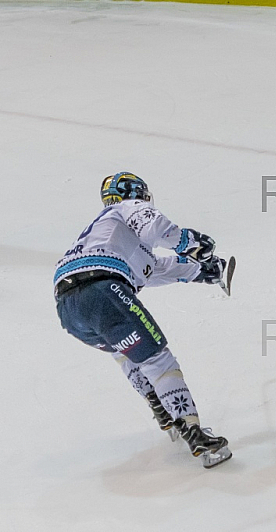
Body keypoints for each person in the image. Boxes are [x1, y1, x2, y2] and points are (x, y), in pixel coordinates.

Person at [53, 172, 232, 468]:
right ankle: (195, 434)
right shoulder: (125, 208)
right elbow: (155, 225)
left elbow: (154, 269)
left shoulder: (107, 233)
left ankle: (159, 406)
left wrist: (203, 271)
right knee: (158, 360)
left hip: (68, 309)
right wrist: (190, 242)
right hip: (102, 290)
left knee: (125, 352)